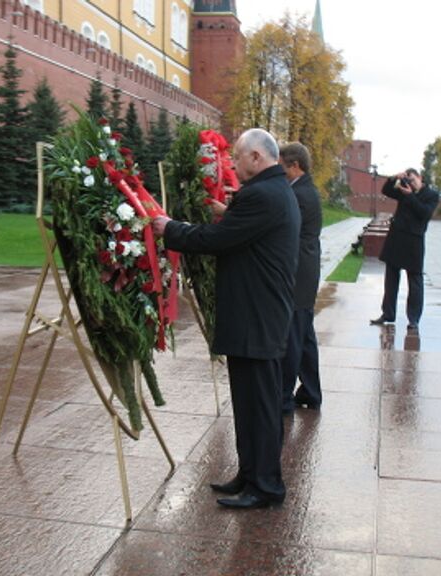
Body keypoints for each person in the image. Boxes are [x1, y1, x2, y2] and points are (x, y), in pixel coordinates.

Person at [152, 128, 300, 509]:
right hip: (255, 314)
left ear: (256, 157)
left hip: (258, 317)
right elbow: (241, 232)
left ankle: (266, 486)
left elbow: (219, 241)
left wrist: (171, 229)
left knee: (262, 407)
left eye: (237, 157)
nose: (232, 165)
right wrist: (227, 211)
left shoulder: (264, 195)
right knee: (248, 403)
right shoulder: (271, 191)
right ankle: (249, 474)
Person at [278, 142, 322, 415]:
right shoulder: (304, 190)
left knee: (293, 337)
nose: (279, 172)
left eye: (282, 167)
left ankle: (283, 398)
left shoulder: (300, 194)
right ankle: (310, 391)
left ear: (295, 166)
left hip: (298, 273)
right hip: (306, 272)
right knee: (304, 337)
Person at [370, 168, 440, 330]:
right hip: (397, 238)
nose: (411, 184)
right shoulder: (403, 189)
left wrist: (410, 196)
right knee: (391, 280)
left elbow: (424, 213)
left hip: (414, 242)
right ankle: (388, 313)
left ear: (421, 178)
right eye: (409, 180)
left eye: (414, 180)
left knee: (415, 282)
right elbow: (386, 190)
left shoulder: (431, 195)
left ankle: (413, 319)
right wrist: (395, 177)